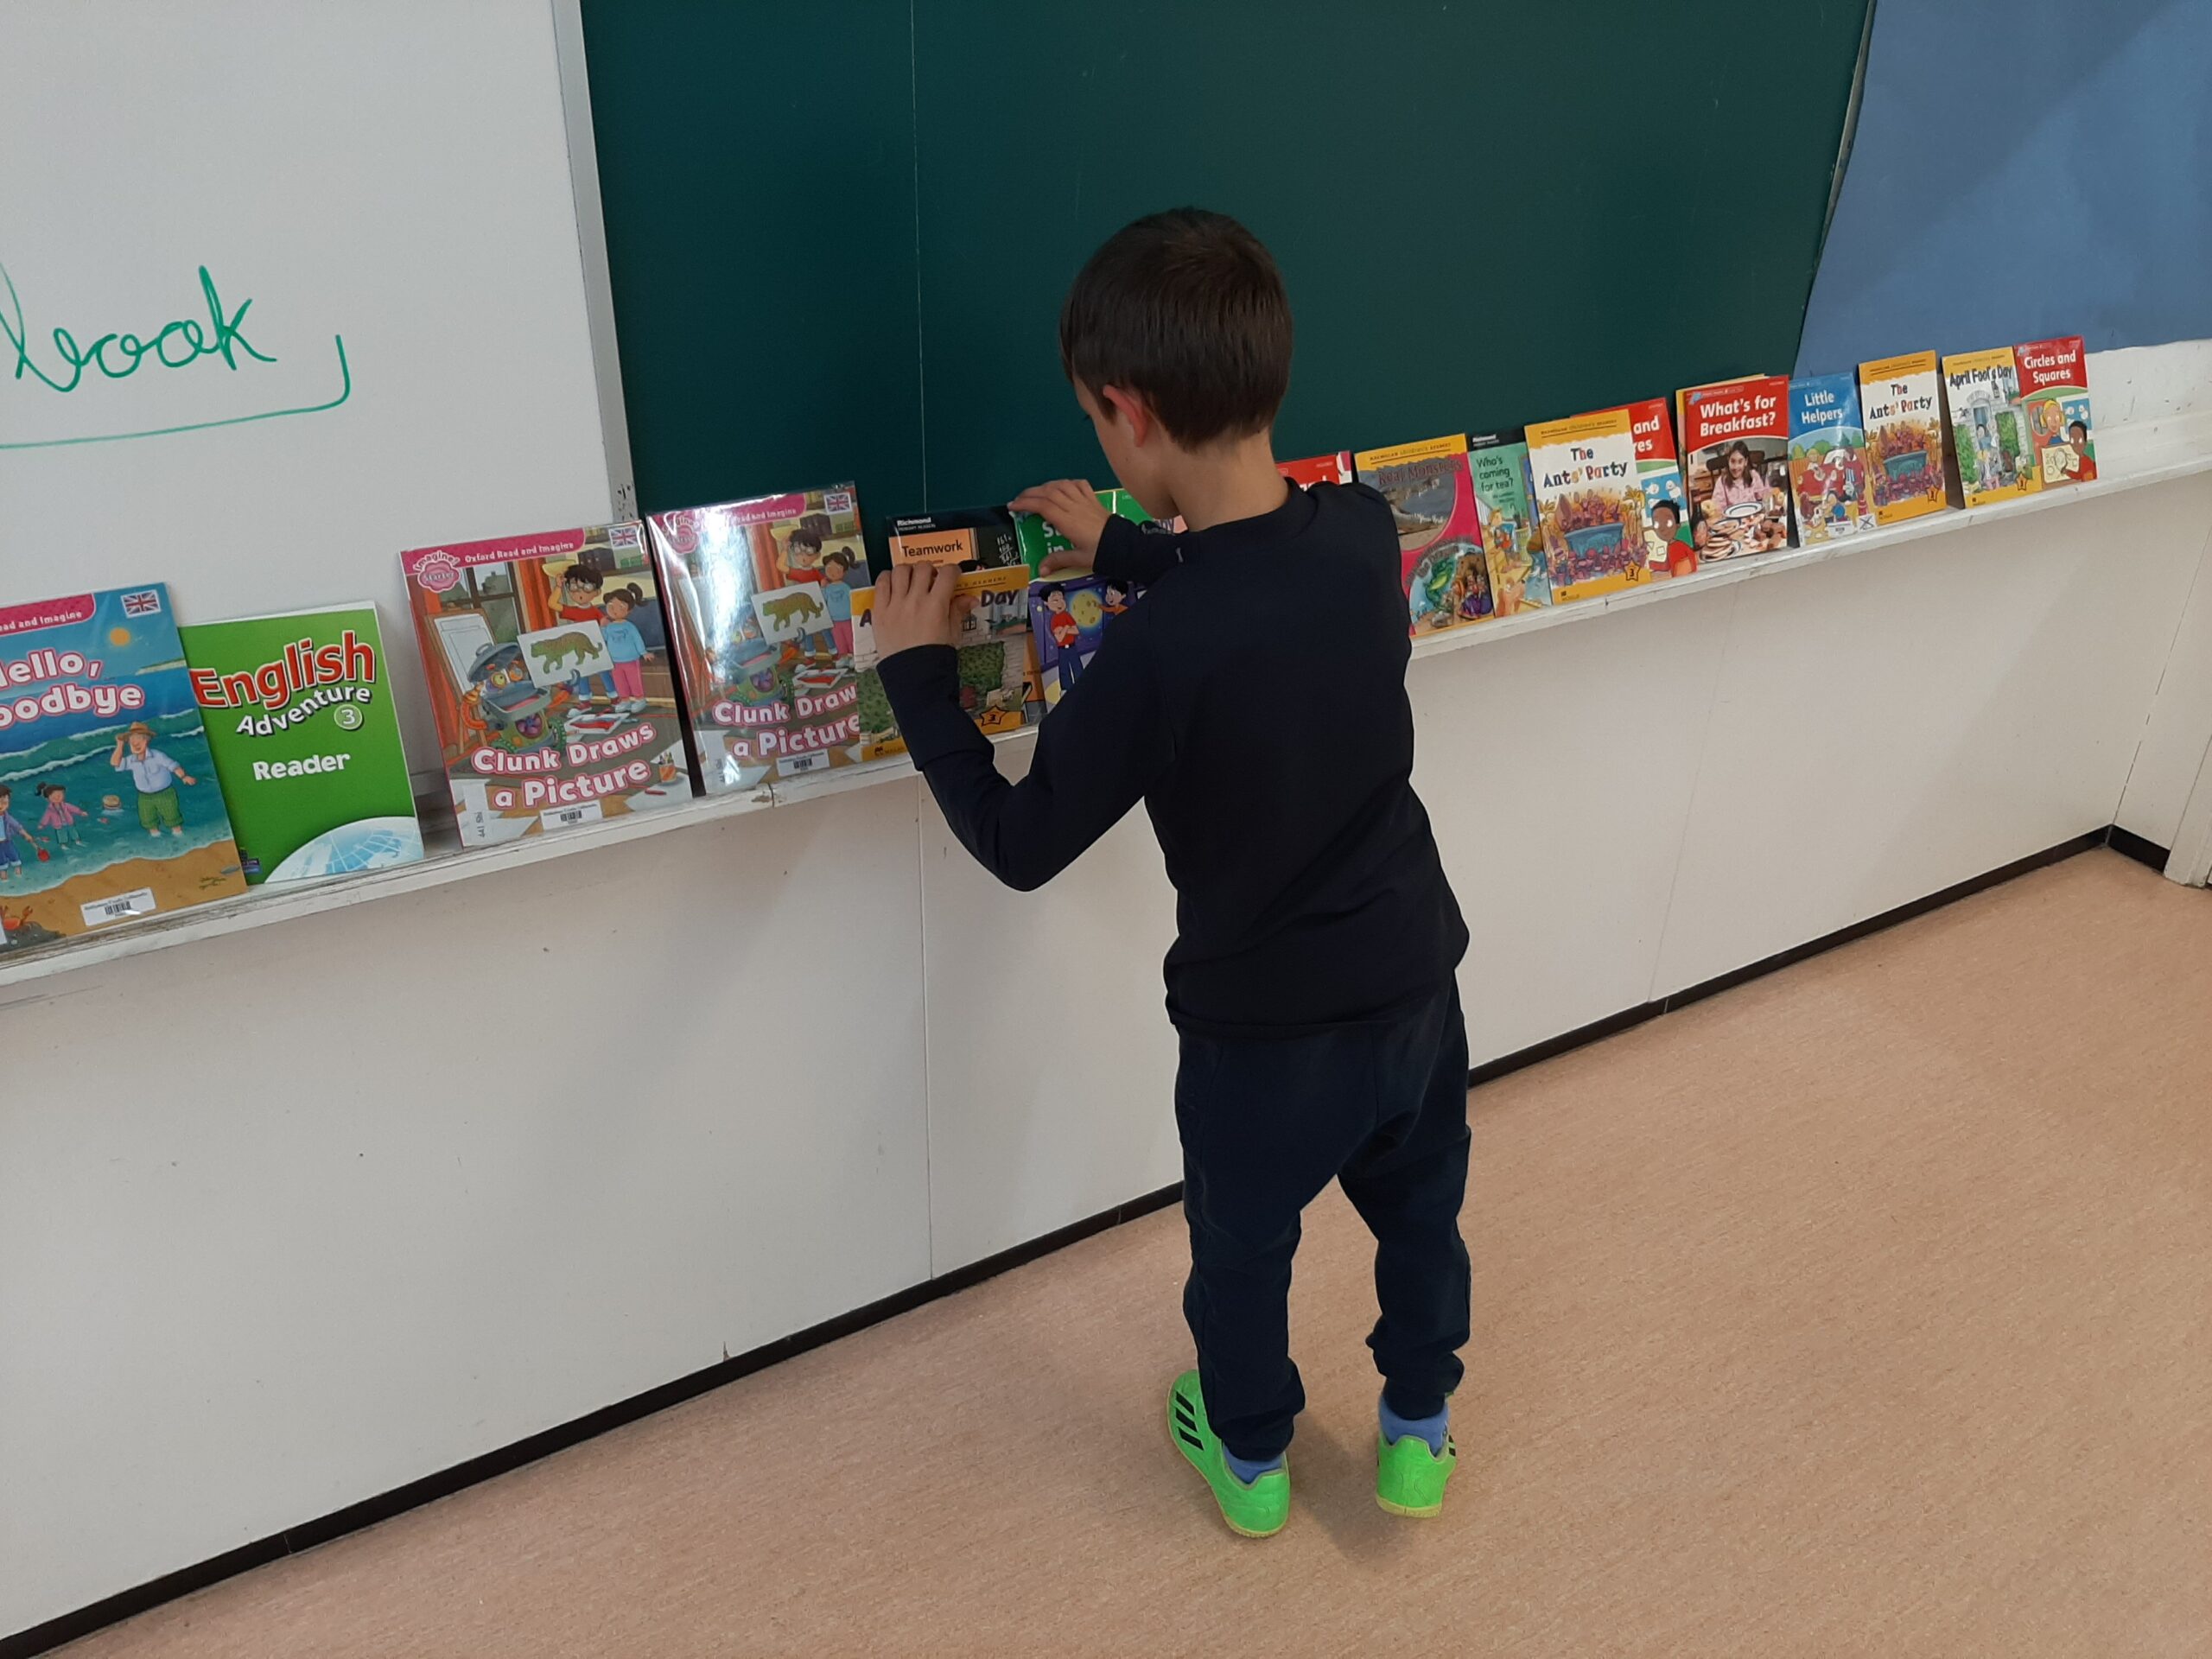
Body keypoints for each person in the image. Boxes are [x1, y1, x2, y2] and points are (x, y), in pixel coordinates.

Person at [871, 208, 1470, 1540]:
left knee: (1244, 1251)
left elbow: (1021, 845)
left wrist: (917, 679)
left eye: (1096, 419)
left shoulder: (1160, 654)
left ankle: (1250, 1460)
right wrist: (1129, 548)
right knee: (1423, 1214)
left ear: (1126, 413)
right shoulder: (1364, 530)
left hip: (1265, 1035)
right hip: (1417, 981)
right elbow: (1261, 578)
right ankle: (1419, 1434)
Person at [111, 722, 195, 837]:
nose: (135, 743)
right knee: (149, 821)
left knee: (173, 818)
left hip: (165, 794)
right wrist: (120, 745)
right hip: (144, 797)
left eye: (139, 739)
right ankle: (157, 841)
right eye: (132, 740)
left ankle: (180, 838)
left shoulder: (158, 756)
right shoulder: (131, 760)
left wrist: (184, 777)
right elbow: (115, 763)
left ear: (147, 740)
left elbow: (173, 766)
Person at [599, 584, 651, 713]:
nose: (614, 610)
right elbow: (604, 638)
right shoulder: (609, 626)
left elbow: (637, 639)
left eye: (620, 607)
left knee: (634, 680)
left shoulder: (629, 626)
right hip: (615, 662)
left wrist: (643, 652)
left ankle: (640, 699)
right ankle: (625, 700)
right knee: (619, 682)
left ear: (629, 610)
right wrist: (603, 627)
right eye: (611, 606)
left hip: (630, 660)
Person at [0, 785, 40, 880]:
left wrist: (26, 834)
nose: (1, 806)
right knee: (1, 861)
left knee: (14, 857)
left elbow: (17, 827)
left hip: (7, 841)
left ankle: (19, 877)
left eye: (4, 803)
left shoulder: (7, 818)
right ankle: (4, 879)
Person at [36, 782, 88, 847]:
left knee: (73, 832)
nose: (57, 798)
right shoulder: (50, 809)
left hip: (69, 822)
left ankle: (77, 841)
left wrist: (81, 812)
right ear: (48, 798)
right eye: (54, 796)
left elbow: (73, 809)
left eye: (60, 795)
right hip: (58, 825)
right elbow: (46, 817)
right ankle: (63, 844)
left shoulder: (66, 805)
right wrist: (42, 824)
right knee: (61, 835)